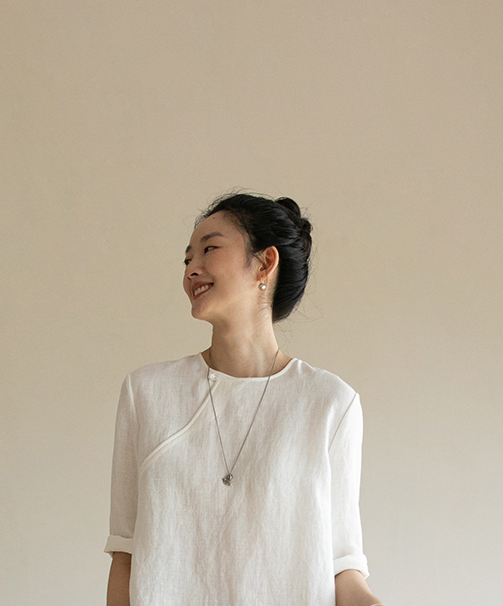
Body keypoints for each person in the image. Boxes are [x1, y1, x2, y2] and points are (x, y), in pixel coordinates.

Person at [104, 192, 386, 606]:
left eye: (209, 249)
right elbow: (125, 555)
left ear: (265, 262)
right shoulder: (146, 393)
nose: (191, 269)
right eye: (186, 258)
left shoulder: (329, 404)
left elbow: (342, 565)